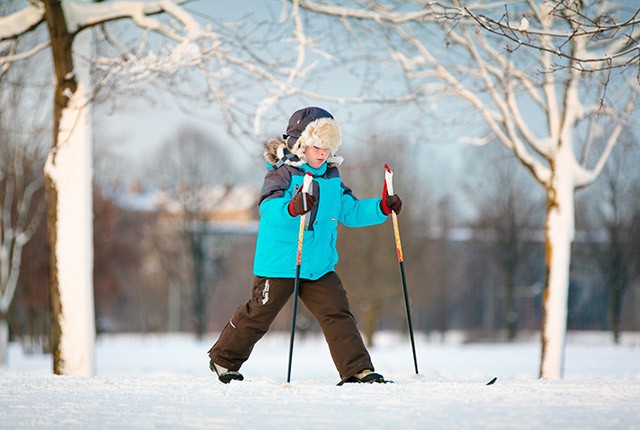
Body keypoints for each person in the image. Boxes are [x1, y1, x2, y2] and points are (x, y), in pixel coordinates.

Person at [207, 106, 402, 384]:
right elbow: (269, 209)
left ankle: (357, 370)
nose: (323, 153)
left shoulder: (332, 176)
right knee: (259, 313)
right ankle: (224, 359)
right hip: (280, 262)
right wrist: (291, 208)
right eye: (317, 146)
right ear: (300, 144)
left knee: (338, 314)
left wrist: (382, 207)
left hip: (318, 264)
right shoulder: (282, 174)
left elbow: (350, 211)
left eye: (328, 146)